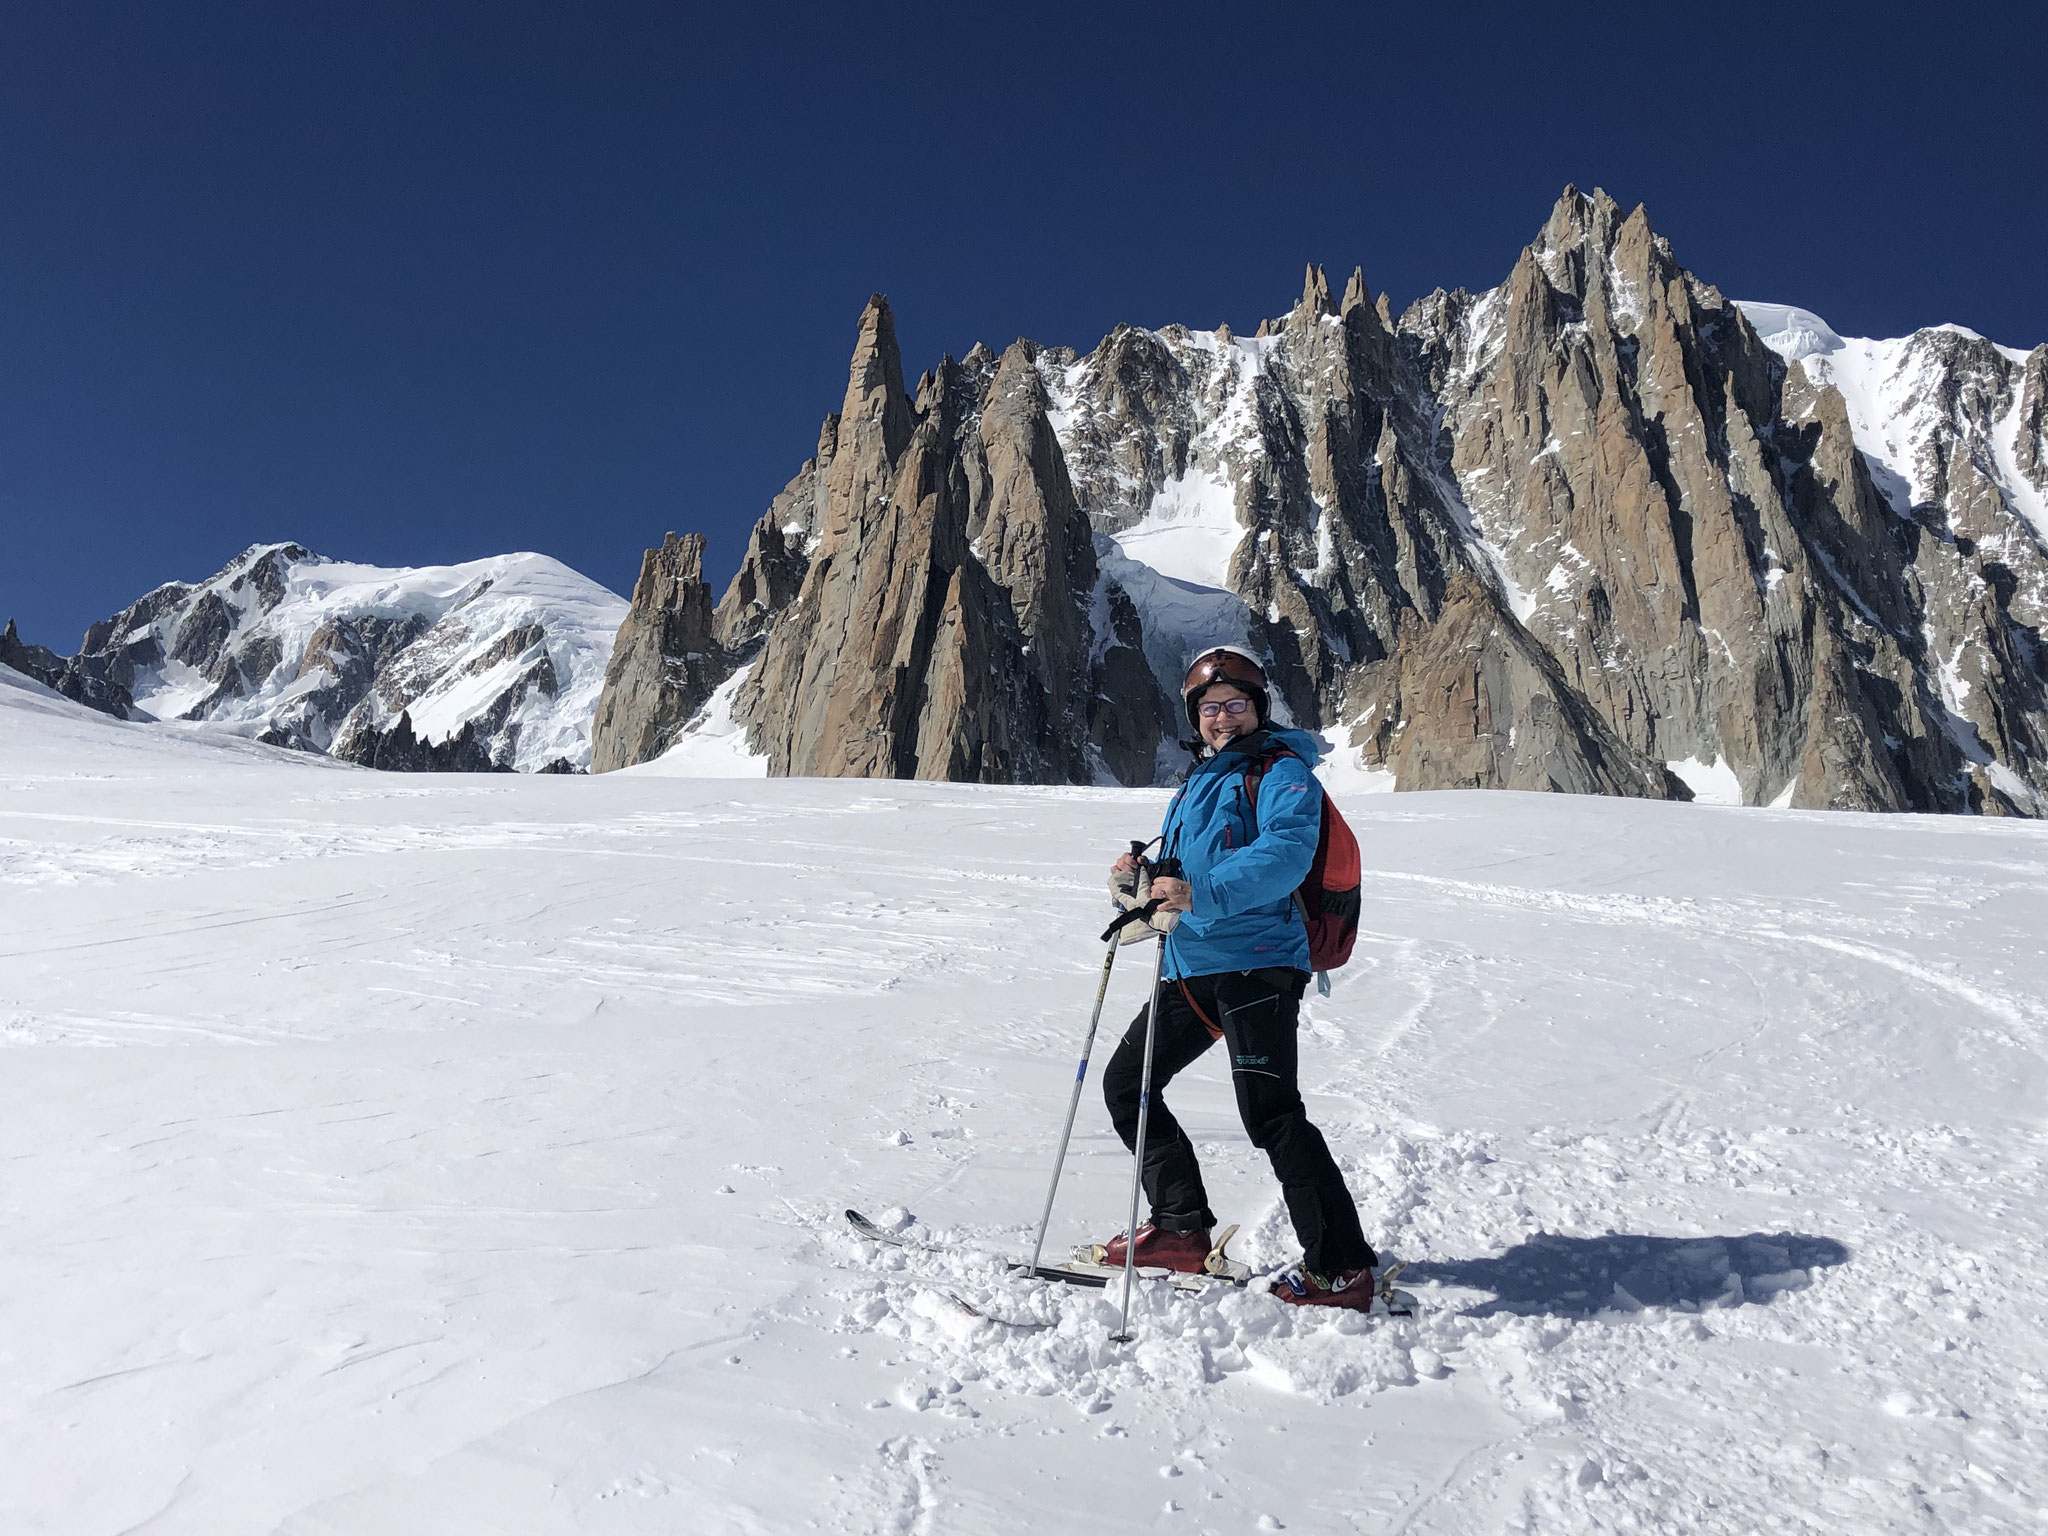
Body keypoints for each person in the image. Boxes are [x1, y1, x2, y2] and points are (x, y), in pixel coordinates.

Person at [1097, 645, 1382, 1309]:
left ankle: (1340, 1268)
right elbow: (1188, 863)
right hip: (1193, 964)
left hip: (1258, 961)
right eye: (1210, 708)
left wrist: (1198, 893)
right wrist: (1144, 879)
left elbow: (1283, 857)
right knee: (1128, 1085)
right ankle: (1179, 1228)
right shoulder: (1198, 781)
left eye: (1235, 705)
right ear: (1195, 718)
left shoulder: (1283, 773)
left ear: (1258, 710)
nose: (1222, 717)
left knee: (1272, 1116)